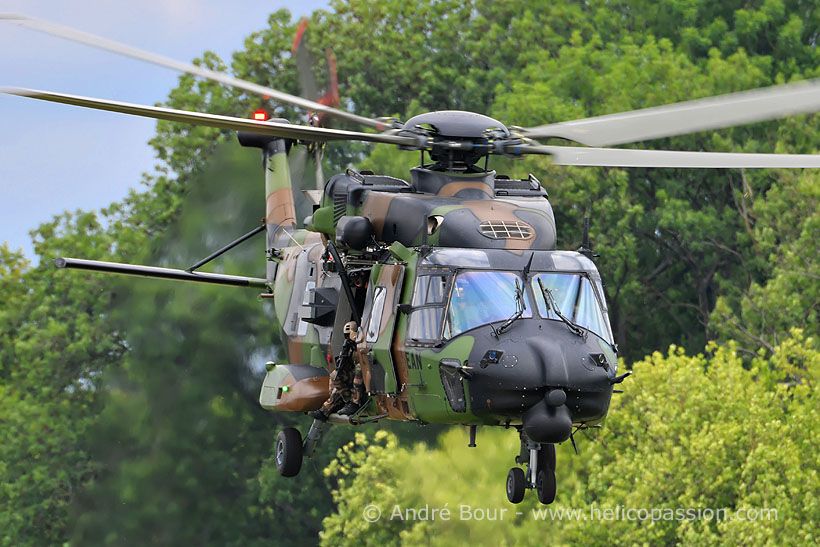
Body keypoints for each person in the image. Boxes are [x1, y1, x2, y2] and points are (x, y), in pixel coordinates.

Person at [309, 321, 365, 421]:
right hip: (353, 375)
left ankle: (354, 402)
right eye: (346, 335)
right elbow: (344, 364)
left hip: (364, 373)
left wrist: (356, 342)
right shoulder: (348, 347)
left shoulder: (362, 344)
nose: (348, 337)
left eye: (350, 334)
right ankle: (333, 406)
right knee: (335, 375)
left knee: (358, 369)